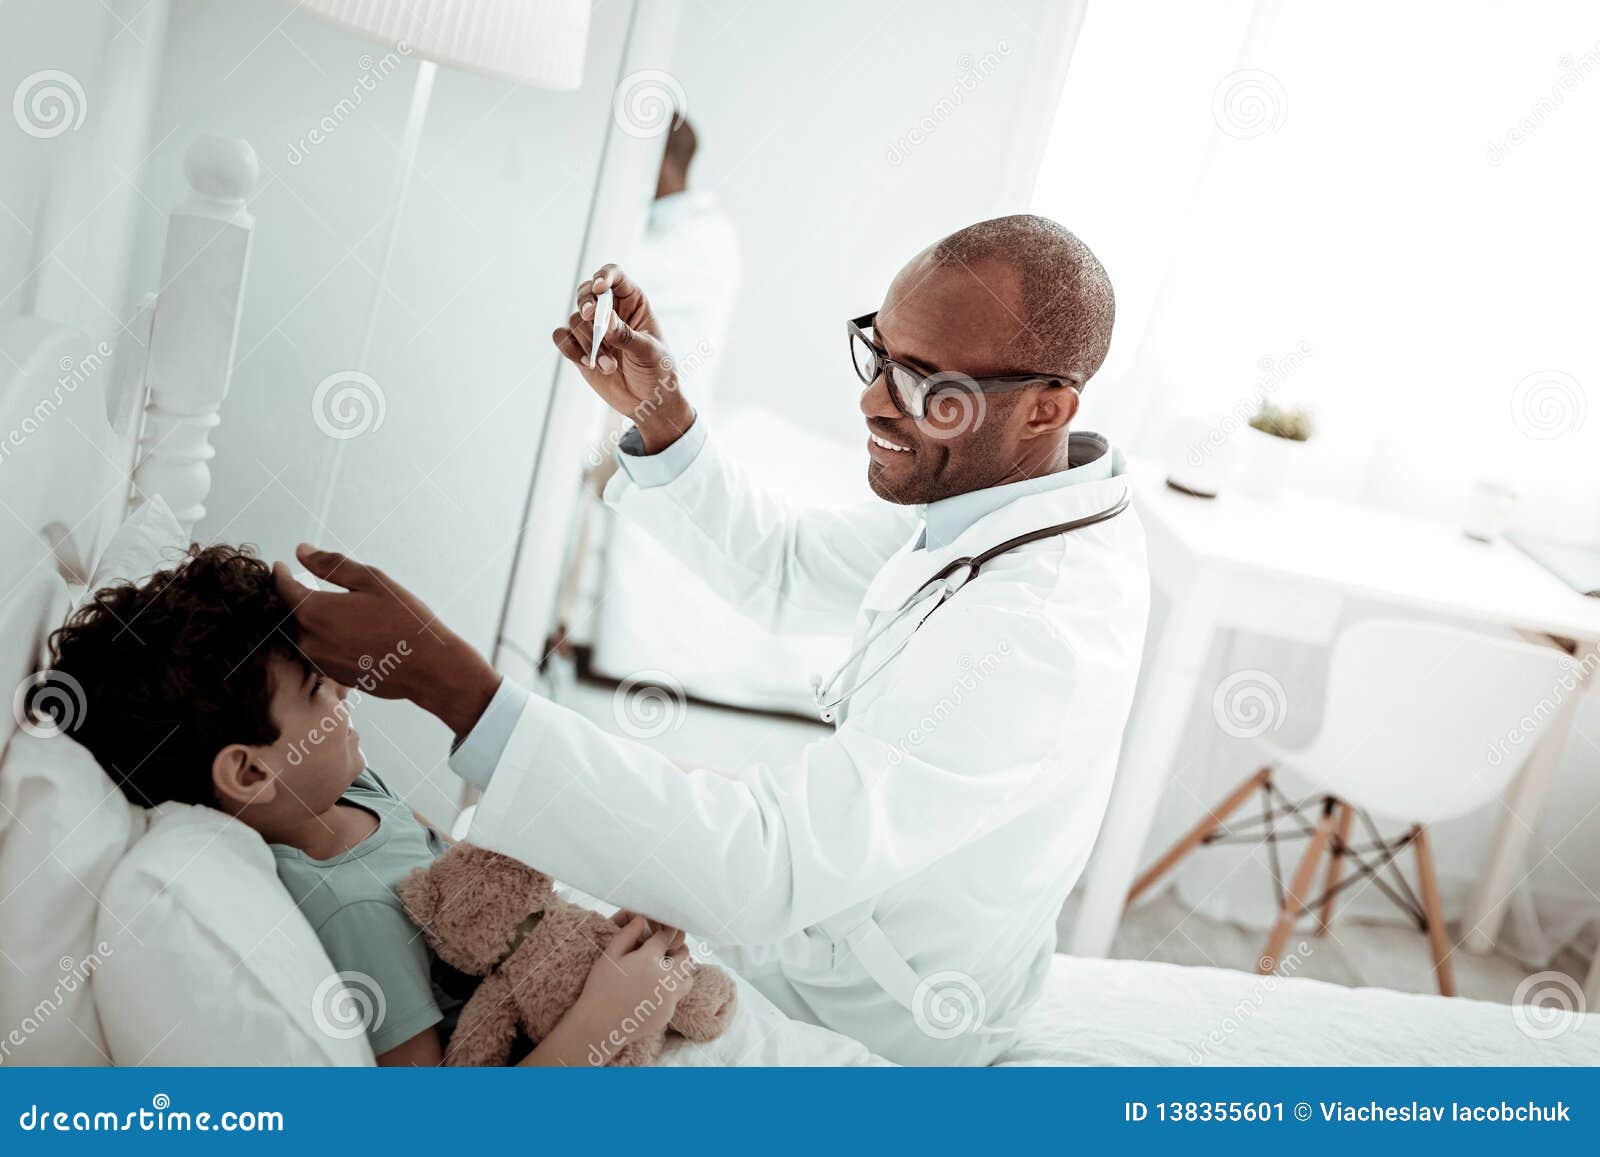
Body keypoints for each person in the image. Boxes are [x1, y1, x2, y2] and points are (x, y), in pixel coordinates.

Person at [275, 214, 1150, 1065]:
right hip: (841, 934)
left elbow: (765, 867)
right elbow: (789, 565)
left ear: (1046, 410)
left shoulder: (1036, 635)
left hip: (883, 1017)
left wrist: (457, 688)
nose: (872, 398)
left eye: (927, 382)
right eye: (878, 352)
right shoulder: (1005, 502)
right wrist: (664, 416)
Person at [41, 544, 694, 1066]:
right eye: (319, 687)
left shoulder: (353, 788)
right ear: (249, 768)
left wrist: (579, 944)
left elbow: (480, 897)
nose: (348, 691)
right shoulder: (352, 915)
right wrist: (610, 1011)